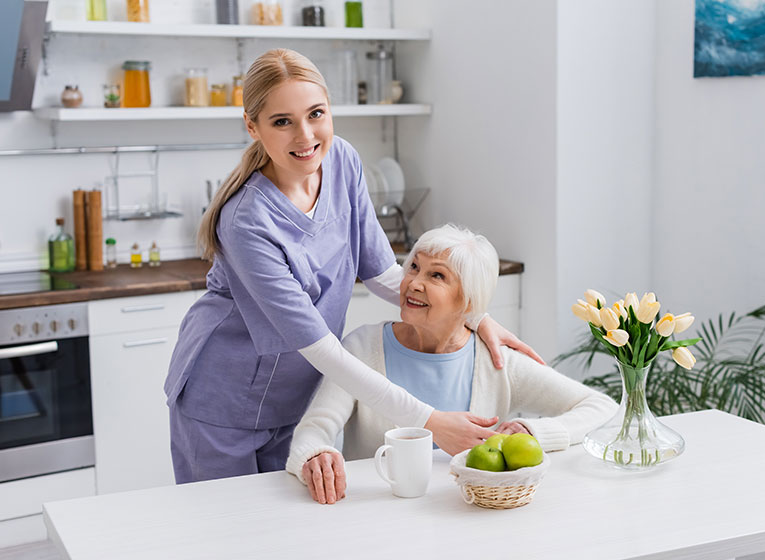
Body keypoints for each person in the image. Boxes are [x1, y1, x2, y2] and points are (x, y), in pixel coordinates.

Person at [163, 49, 541, 484]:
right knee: (222, 539)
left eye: (316, 114)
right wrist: (431, 422)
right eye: (282, 121)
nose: (305, 136)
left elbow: (383, 274)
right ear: (253, 127)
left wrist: (473, 316)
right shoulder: (247, 220)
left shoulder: (340, 160)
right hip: (221, 403)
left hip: (294, 399)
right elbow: (324, 349)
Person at [286, 225, 618, 504]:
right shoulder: (362, 347)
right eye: (413, 267)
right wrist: (315, 455)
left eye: (437, 276)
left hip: (470, 517)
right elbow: (314, 430)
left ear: (469, 301)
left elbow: (601, 407)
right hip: (381, 521)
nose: (414, 283)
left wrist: (533, 432)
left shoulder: (496, 361)